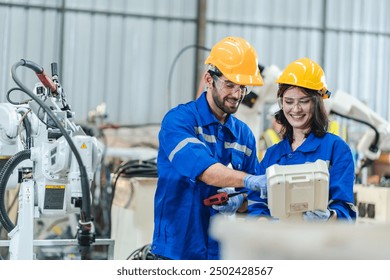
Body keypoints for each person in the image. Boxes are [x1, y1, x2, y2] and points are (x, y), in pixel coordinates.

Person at [151, 36, 268, 260]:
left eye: (243, 87)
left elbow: (255, 199)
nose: (237, 94)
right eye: (229, 84)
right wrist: (248, 181)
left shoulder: (244, 135)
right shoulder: (178, 121)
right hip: (176, 250)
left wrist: (239, 201)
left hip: (222, 253)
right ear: (209, 79)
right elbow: (205, 170)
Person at [247, 57, 357, 222]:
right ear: (281, 103)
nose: (295, 109)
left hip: (318, 245)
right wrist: (263, 223)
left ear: (318, 102)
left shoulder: (336, 149)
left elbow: (346, 213)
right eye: (289, 101)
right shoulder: (273, 154)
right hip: (278, 245)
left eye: (304, 101)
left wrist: (329, 217)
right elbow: (256, 205)